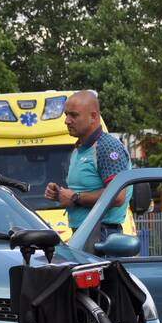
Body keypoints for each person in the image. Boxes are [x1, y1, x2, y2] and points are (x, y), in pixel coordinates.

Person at [43, 90, 132, 242]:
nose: (67, 121)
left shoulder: (107, 147)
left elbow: (118, 196)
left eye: (74, 115)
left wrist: (74, 197)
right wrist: (60, 194)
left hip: (101, 236)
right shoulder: (80, 149)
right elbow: (83, 191)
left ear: (93, 116)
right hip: (86, 233)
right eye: (66, 115)